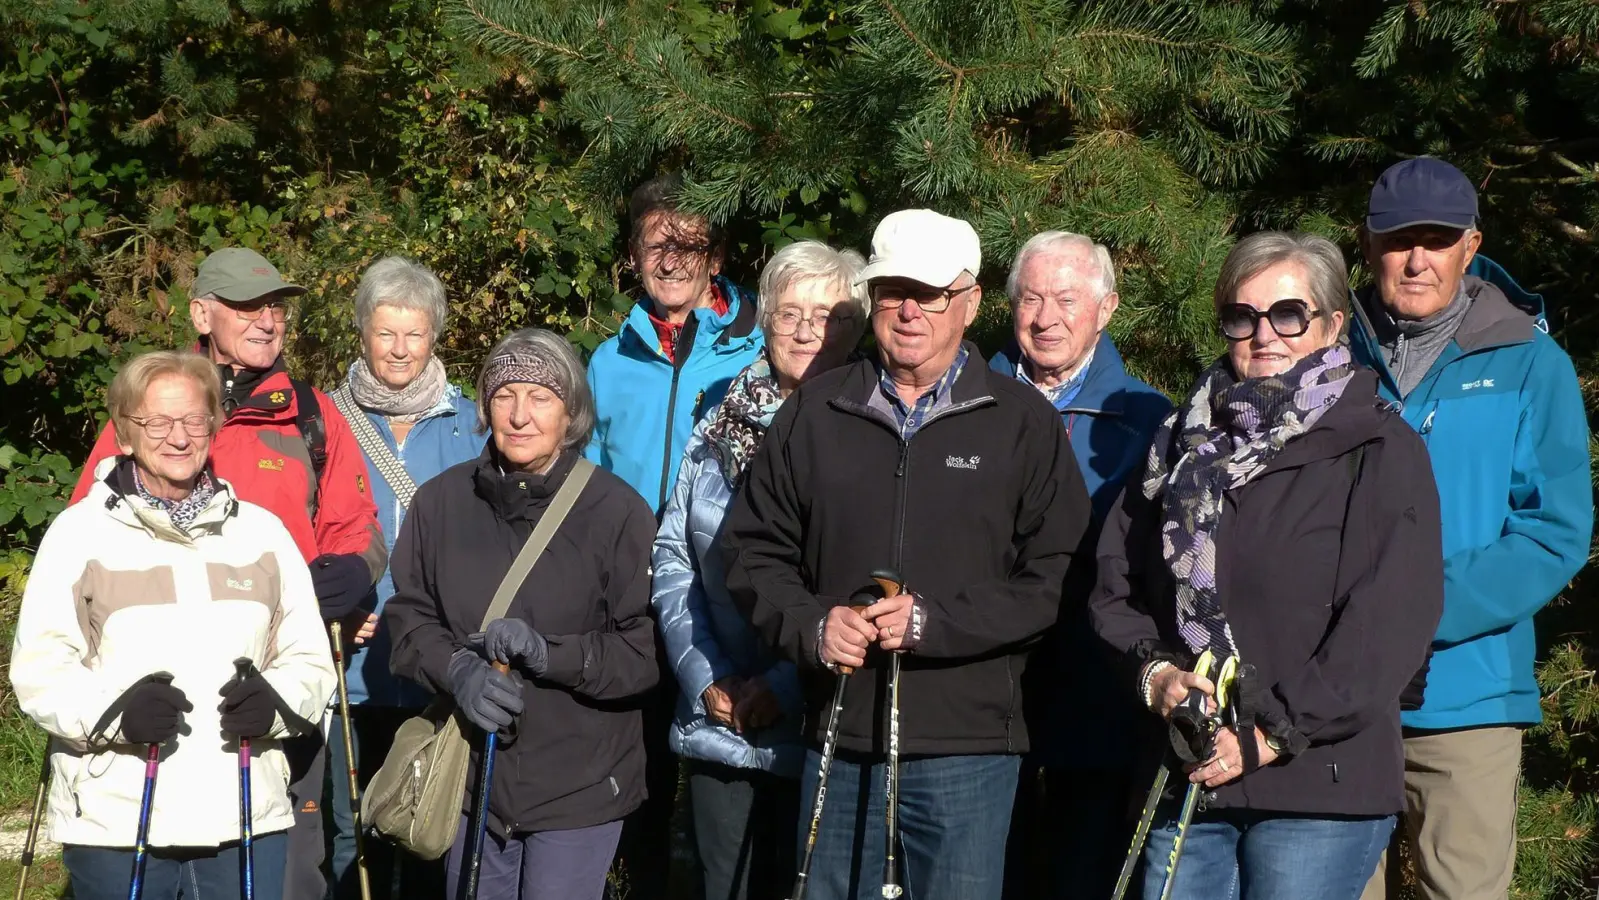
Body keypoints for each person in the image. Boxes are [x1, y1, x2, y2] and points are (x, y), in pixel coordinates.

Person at [721, 209, 1092, 900]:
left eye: (929, 294)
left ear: (971, 301)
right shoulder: (814, 413)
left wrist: (935, 624)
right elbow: (748, 552)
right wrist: (810, 626)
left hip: (968, 748)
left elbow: (1057, 579)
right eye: (892, 291)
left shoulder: (1021, 423)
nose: (908, 311)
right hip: (838, 732)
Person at [1089, 231, 1446, 900]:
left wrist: (1273, 733)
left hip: (1317, 781)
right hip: (1190, 770)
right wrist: (1156, 674)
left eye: (1287, 314)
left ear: (1332, 324)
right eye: (1241, 316)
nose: (1264, 335)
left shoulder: (1377, 448)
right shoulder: (1178, 447)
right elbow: (1116, 585)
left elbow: (1388, 622)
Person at [68, 248, 385, 900]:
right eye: (246, 306)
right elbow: (83, 538)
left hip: (275, 682)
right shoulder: (152, 416)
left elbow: (359, 526)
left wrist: (352, 571)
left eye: (274, 306)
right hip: (161, 687)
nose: (267, 319)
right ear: (201, 314)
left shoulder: (312, 416)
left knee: (289, 876)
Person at [1349, 160, 1593, 900]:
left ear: (1470, 243)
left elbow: (1552, 531)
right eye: (1397, 241)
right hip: (1333, 694)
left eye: (1435, 240)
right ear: (1366, 246)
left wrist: (1419, 609)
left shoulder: (1527, 362)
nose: (1415, 259)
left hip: (1465, 694)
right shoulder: (1324, 351)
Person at [12, 351, 338, 900]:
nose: (179, 437)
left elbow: (310, 659)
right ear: (124, 433)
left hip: (245, 815)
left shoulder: (263, 534)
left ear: (213, 425)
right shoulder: (78, 535)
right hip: (117, 821)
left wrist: (277, 705)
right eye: (157, 422)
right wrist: (114, 714)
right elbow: (40, 668)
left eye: (193, 420)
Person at [384, 328, 660, 900]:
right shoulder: (439, 504)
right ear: (484, 405)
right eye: (504, 394)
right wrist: (458, 671)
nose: (519, 415)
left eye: (540, 397)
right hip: (468, 780)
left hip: (579, 784)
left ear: (571, 413)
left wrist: (549, 654)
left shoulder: (616, 513)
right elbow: (409, 620)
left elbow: (642, 654)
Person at [653, 241, 869, 900]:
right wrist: (706, 674)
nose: (805, 330)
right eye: (787, 312)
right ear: (764, 320)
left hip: (824, 715)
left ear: (853, 330)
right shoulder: (716, 423)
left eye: (825, 315)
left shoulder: (873, 431)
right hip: (720, 717)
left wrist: (783, 682)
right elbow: (671, 557)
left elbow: (862, 581)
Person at [584, 172, 764, 893]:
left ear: (715, 256)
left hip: (726, 600)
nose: (671, 258)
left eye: (689, 243)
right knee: (640, 779)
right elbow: (587, 484)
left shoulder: (751, 350)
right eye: (654, 242)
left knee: (729, 778)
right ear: (632, 254)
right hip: (630, 599)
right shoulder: (610, 358)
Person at [987, 231, 1172, 898]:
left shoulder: (1147, 419)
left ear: (1106, 307)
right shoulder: (965, 401)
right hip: (981, 680)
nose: (1045, 317)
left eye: (1066, 298)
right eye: (1030, 298)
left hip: (1094, 684)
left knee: (1080, 870)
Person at [323, 256, 482, 900]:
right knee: (345, 833)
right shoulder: (324, 422)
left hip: (432, 667)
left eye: (414, 334)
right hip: (347, 667)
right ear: (363, 332)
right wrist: (330, 612)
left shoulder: (471, 424)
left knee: (426, 828)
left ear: (435, 336)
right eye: (386, 332)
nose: (400, 349)